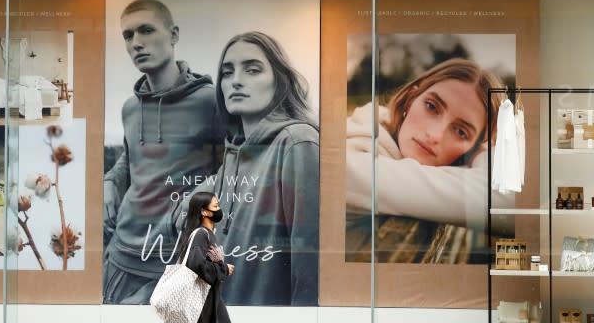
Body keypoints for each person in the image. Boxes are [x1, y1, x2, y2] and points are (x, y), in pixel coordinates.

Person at [183, 31, 319, 305]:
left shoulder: (297, 143)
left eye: (252, 70)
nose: (236, 81)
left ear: (279, 81)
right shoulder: (233, 156)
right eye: (228, 72)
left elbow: (310, 266)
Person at [103, 0, 220, 304]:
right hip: (120, 253)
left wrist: (204, 192)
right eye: (128, 36)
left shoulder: (210, 101)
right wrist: (108, 183)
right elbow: (130, 163)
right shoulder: (129, 108)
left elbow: (235, 166)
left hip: (174, 257)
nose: (136, 43)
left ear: (174, 35)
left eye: (146, 30)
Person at [346, 58, 508, 263]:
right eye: (432, 106)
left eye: (460, 131)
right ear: (411, 97)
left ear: (474, 147)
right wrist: (484, 152)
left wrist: (483, 149)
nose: (435, 135)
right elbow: (506, 197)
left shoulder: (384, 139)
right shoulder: (356, 160)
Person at [174, 191, 233, 323]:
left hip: (213, 304)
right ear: (204, 211)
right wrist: (224, 269)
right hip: (200, 305)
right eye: (216, 206)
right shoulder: (201, 234)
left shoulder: (208, 233)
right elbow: (196, 264)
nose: (219, 210)